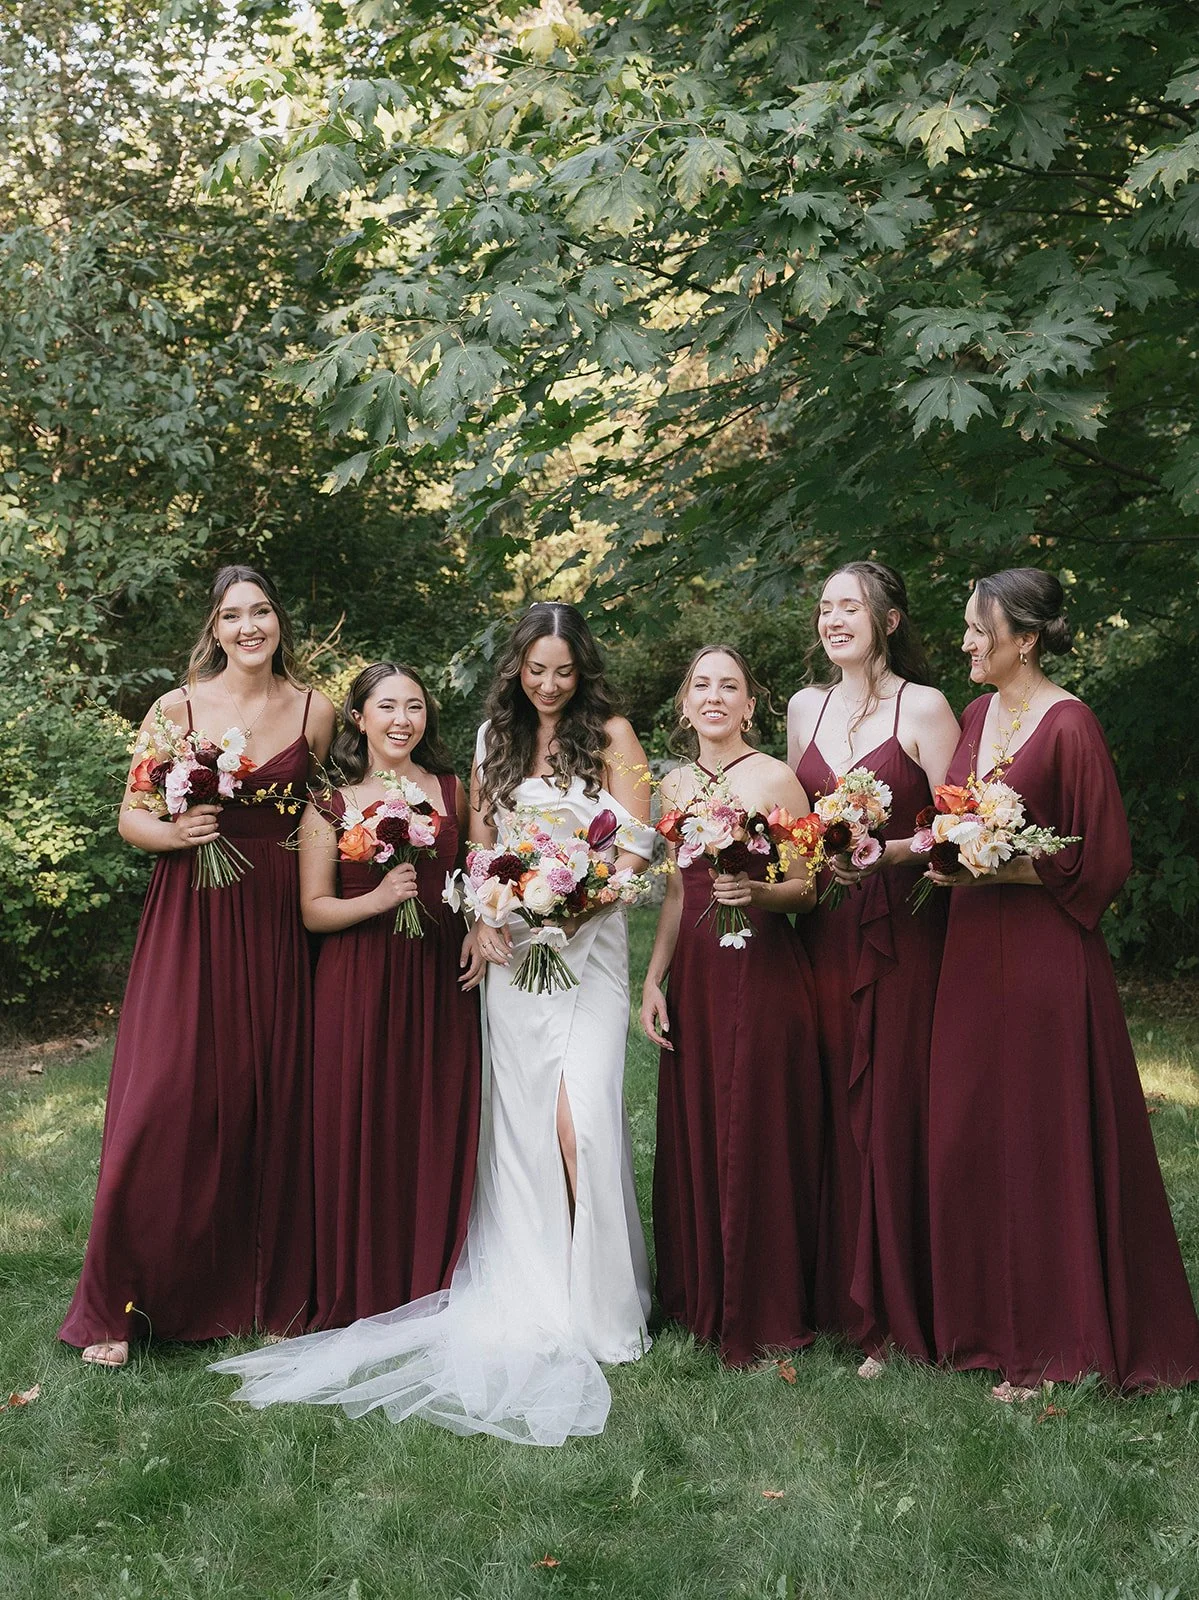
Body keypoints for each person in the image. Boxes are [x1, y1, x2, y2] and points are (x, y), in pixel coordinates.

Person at [212, 601, 656, 1444]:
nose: (550, 684)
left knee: (584, 1119)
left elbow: (634, 846)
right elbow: (480, 849)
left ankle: (604, 1304)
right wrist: (489, 917)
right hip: (509, 956)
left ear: (582, 668)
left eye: (563, 669)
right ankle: (535, 1282)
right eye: (536, 669)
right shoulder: (492, 743)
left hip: (587, 949)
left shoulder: (614, 736)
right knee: (520, 1125)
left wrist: (574, 907)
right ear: (516, 669)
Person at [925, 567, 1199, 1393]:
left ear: (1025, 638)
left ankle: (1058, 1343)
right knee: (970, 1131)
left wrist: (995, 869)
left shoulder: (1071, 724)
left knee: (1043, 1137)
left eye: (980, 630)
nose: (967, 642)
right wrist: (950, 849)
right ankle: (983, 1326)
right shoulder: (975, 714)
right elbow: (955, 814)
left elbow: (1099, 856)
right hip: (970, 955)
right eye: (968, 629)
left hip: (1045, 957)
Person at [59, 565, 335, 1366]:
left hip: (279, 915)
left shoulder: (316, 711)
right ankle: (122, 1301)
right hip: (193, 910)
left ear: (279, 621)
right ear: (213, 629)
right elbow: (130, 816)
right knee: (165, 1098)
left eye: (261, 612)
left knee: (270, 1097)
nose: (249, 627)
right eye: (232, 616)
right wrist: (174, 835)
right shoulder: (174, 708)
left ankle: (268, 1292)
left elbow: (321, 809)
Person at [789, 560, 960, 1373]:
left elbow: (965, 831)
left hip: (901, 936)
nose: (833, 619)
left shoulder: (921, 706)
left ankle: (896, 1313)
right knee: (830, 1101)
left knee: (889, 1107)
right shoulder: (803, 707)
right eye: (824, 607)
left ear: (888, 620)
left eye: (849, 606)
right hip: (822, 933)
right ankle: (835, 1297)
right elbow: (792, 824)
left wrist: (886, 849)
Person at [641, 646, 823, 1365]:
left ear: (751, 706)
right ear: (684, 705)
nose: (714, 697)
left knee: (755, 1125)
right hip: (694, 972)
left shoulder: (775, 777)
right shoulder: (672, 782)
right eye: (700, 686)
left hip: (761, 966)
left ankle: (766, 1301)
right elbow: (678, 892)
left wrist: (758, 892)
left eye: (730, 687)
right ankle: (699, 1295)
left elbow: (806, 889)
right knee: (697, 1125)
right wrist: (653, 979)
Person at [301, 664, 481, 1328]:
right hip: (359, 983)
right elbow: (314, 911)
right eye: (386, 707)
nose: (402, 719)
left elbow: (481, 874)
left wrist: (480, 926)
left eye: (414, 706)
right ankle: (365, 1276)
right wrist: (377, 899)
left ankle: (433, 1267)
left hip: (439, 980)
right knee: (365, 1123)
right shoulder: (330, 802)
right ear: (358, 719)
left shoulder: (455, 790)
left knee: (434, 1119)